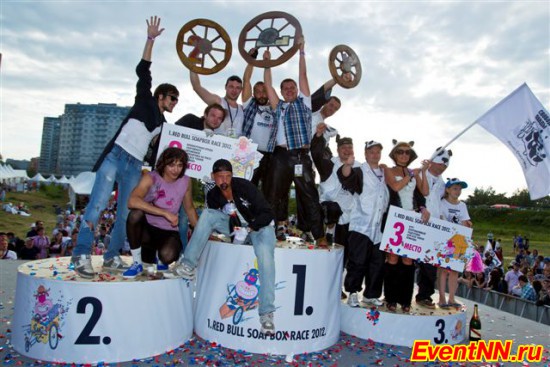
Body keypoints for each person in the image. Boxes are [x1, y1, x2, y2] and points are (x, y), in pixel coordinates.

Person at [71, 16, 179, 278]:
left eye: (177, 99)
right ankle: (81, 254)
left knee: (126, 213)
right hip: (115, 157)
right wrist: (150, 39)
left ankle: (111, 257)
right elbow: (143, 70)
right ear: (161, 96)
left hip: (135, 166)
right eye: (172, 98)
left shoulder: (163, 125)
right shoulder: (145, 99)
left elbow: (171, 147)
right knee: (97, 204)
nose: (175, 102)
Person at [169, 159, 276, 334]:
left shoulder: (245, 186)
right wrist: (234, 225)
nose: (224, 180)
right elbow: (221, 220)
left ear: (232, 176)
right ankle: (188, 264)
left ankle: (267, 313)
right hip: (236, 228)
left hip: (260, 227)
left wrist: (249, 228)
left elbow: (267, 212)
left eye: (228, 176)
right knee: (208, 214)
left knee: (265, 257)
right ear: (213, 177)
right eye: (220, 177)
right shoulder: (213, 196)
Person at [263, 39, 326, 245]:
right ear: (281, 92)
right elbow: (267, 85)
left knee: (310, 196)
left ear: (297, 90)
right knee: (273, 195)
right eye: (285, 88)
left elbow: (303, 76)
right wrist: (267, 64)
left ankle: (319, 234)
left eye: (292, 87)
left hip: (301, 156)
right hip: (281, 157)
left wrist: (301, 53)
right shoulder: (278, 106)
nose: (289, 90)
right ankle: (268, 233)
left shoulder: (304, 102)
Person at [122, 148, 199, 278]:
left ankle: (159, 256)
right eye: (171, 165)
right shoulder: (151, 177)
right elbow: (132, 201)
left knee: (168, 256)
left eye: (180, 165)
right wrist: (164, 213)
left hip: (168, 231)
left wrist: (201, 233)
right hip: (146, 230)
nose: (176, 169)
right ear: (163, 164)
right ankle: (136, 262)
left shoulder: (185, 181)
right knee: (135, 215)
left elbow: (190, 208)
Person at [338, 140, 389, 307]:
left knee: (377, 264)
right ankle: (352, 292)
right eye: (371, 152)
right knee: (357, 262)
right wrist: (347, 165)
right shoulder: (360, 171)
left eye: (377, 152)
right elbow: (346, 178)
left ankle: (371, 294)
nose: (375, 155)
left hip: (379, 228)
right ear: (366, 154)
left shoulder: (384, 173)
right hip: (361, 225)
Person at [383, 140, 429, 313]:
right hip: (395, 218)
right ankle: (390, 298)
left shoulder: (412, 173)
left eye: (407, 152)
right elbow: (394, 187)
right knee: (392, 259)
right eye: (400, 151)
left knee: (408, 261)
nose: (403, 155)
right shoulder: (388, 169)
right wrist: (410, 175)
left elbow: (424, 192)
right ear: (394, 154)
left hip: (412, 219)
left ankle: (405, 299)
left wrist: (422, 173)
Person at [416, 147, 452, 309]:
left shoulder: (443, 183)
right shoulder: (418, 174)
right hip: (417, 223)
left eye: (444, 166)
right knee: (408, 262)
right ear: (432, 162)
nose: (442, 168)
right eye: (440, 165)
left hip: (435, 226)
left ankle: (425, 295)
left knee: (430, 264)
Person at [311, 131, 358, 249]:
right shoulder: (329, 162)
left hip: (350, 216)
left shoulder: (359, 167)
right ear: (338, 150)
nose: (347, 150)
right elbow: (316, 153)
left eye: (350, 147)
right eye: (343, 147)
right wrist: (319, 136)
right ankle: (328, 231)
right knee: (331, 207)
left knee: (345, 251)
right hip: (328, 211)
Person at [241, 48, 277, 196]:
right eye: (258, 91)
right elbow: (246, 80)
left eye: (264, 91)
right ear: (254, 93)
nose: (262, 94)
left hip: (269, 155)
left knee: (268, 190)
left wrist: (267, 63)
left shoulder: (275, 108)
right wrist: (252, 60)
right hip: (250, 152)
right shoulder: (249, 104)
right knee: (248, 188)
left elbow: (269, 83)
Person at [438, 178, 472, 308]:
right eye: (455, 188)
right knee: (443, 269)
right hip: (445, 239)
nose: (458, 191)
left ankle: (451, 297)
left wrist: (468, 225)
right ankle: (442, 297)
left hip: (459, 240)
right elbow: (441, 219)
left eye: (460, 189)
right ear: (447, 190)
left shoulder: (462, 205)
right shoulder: (442, 203)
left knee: (454, 270)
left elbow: (465, 221)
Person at [189, 70, 243, 138]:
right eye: (231, 86)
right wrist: (192, 66)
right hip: (216, 144)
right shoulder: (218, 101)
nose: (234, 90)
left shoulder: (243, 109)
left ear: (241, 90)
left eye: (238, 88)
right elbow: (197, 87)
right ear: (225, 87)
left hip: (235, 147)